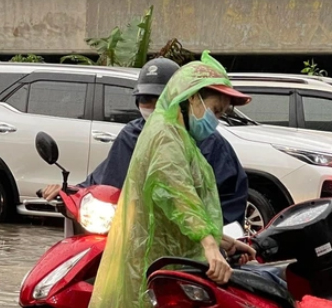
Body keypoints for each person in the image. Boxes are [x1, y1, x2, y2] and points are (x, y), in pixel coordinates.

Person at [70, 52, 256, 308]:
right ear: (192, 99)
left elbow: (181, 203)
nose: (216, 120)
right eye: (215, 109)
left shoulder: (181, 137)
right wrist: (206, 241)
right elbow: (175, 192)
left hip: (173, 274)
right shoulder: (166, 136)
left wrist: (220, 239)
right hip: (154, 282)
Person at [42, 58, 249, 227]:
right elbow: (105, 180)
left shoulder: (212, 148)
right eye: (144, 100)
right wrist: (70, 191)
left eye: (159, 100)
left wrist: (213, 240)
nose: (152, 107)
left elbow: (224, 207)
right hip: (130, 236)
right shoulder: (132, 136)